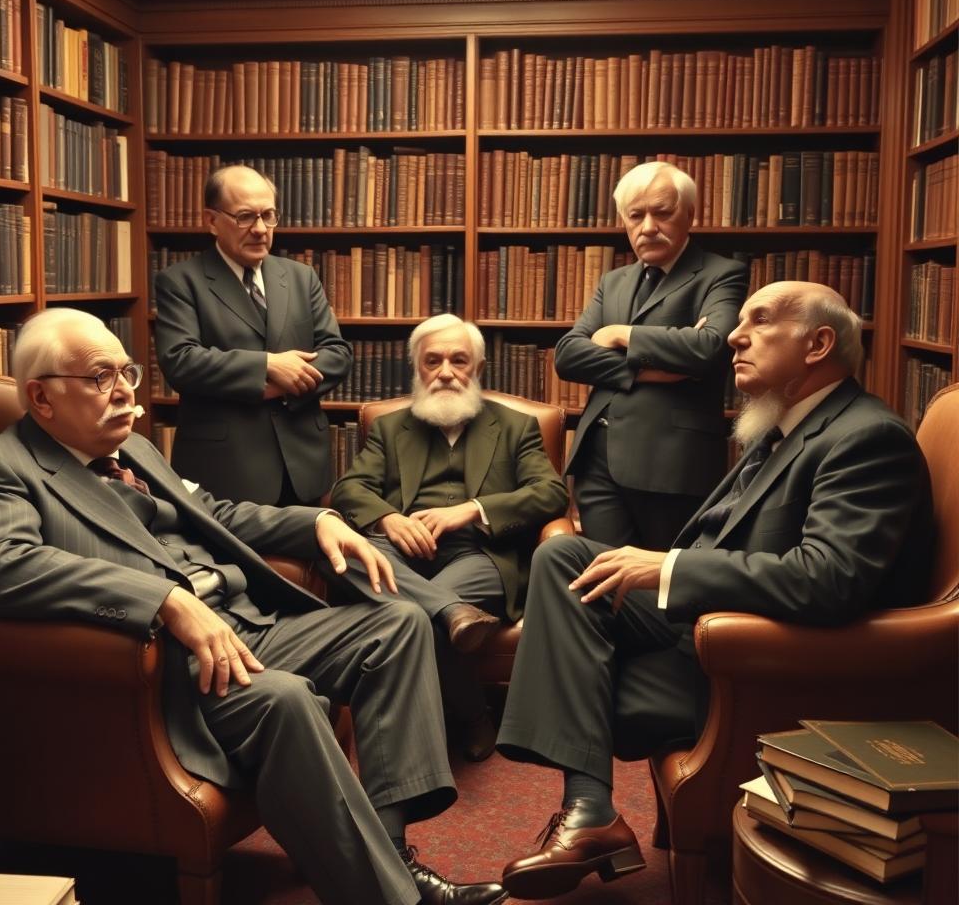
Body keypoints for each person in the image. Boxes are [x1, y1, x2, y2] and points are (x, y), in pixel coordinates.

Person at [0, 308, 508, 905]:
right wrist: (162, 600)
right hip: (171, 662)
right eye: (101, 377)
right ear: (42, 396)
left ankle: (390, 857)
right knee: (286, 699)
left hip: (247, 623)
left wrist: (317, 521)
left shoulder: (133, 447)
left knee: (396, 624)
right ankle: (394, 899)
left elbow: (214, 513)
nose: (124, 391)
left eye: (127, 371)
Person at [495, 282, 935, 900]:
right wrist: (669, 571)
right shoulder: (788, 426)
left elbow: (829, 579)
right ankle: (592, 808)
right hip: (711, 624)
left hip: (765, 664)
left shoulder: (867, 438)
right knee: (565, 556)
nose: (734, 334)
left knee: (575, 671)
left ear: (819, 344)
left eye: (759, 321)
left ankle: (591, 810)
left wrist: (668, 569)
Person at [329, 314, 569, 759]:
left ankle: (470, 716)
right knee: (344, 556)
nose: (445, 372)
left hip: (480, 554)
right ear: (417, 368)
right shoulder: (389, 426)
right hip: (399, 550)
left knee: (415, 616)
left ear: (477, 368)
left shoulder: (516, 427)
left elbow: (551, 493)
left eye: (459, 360)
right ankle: (453, 617)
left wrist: (472, 510)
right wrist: (387, 519)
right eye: (432, 360)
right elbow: (349, 488)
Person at [555, 161, 748, 549]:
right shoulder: (613, 281)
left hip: (672, 464)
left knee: (658, 588)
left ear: (690, 215)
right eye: (635, 215)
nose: (647, 227)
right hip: (597, 462)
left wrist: (620, 334)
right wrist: (645, 372)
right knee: (603, 584)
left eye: (662, 213)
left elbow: (709, 347)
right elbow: (569, 355)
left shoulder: (722, 273)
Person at [154, 164, 351, 506]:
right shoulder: (180, 281)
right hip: (224, 471)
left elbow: (337, 353)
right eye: (245, 217)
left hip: (301, 466)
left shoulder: (301, 277)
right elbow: (180, 361)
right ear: (211, 220)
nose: (260, 229)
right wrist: (268, 367)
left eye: (268, 215)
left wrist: (283, 385)